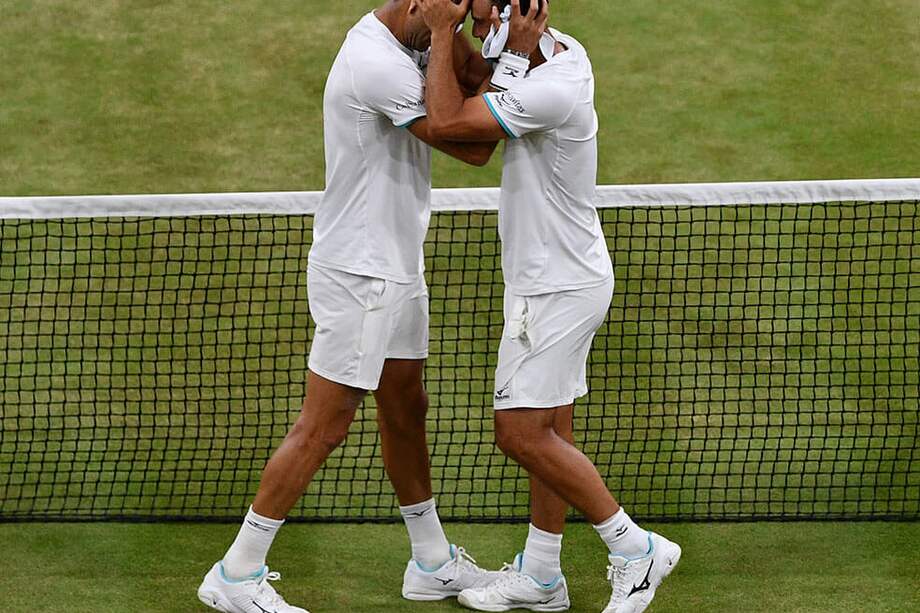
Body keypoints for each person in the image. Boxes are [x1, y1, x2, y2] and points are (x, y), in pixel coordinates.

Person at [196, 2, 502, 611]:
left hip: (396, 263)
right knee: (325, 425)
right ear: (417, 4)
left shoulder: (417, 37)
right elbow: (472, 144)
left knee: (405, 407)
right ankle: (236, 572)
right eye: (445, 15)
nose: (451, 25)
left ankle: (431, 561)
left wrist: (484, 40)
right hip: (361, 271)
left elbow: (472, 82)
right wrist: (458, 40)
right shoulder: (375, 63)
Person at [415, 0, 682, 611]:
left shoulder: (550, 90)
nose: (478, 35)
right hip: (553, 280)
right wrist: (472, 39)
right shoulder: (555, 53)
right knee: (552, 428)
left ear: (524, 17)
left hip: (556, 289)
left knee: (518, 432)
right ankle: (541, 576)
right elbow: (482, 78)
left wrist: (437, 33)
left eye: (485, 22)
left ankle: (633, 548)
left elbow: (452, 124)